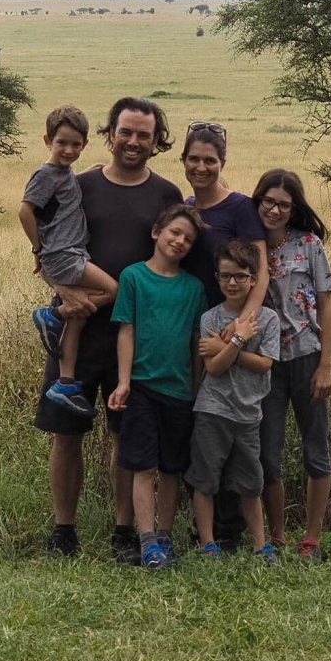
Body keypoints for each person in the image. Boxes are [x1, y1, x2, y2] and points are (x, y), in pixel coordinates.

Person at [33, 97, 183, 562]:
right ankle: (64, 532)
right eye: (126, 132)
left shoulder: (167, 196)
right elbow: (44, 246)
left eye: (144, 134)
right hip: (75, 329)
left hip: (132, 338)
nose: (133, 142)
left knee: (129, 438)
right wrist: (63, 291)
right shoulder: (76, 185)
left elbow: (178, 259)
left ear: (157, 141)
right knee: (66, 433)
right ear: (110, 134)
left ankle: (123, 533)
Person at [180, 121, 269, 549]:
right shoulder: (185, 208)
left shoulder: (239, 208)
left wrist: (242, 326)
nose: (201, 167)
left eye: (209, 160)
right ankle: (205, 532)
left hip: (234, 322)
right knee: (202, 415)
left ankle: (232, 533)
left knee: (229, 418)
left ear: (222, 163)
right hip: (194, 319)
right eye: (194, 159)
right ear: (183, 161)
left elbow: (260, 267)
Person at [107, 204, 207, 569]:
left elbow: (197, 341)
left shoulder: (194, 288)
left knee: (171, 469)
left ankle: (165, 538)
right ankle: (146, 540)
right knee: (142, 466)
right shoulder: (133, 278)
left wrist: (196, 388)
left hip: (180, 391)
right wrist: (123, 382)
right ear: (156, 233)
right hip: (141, 388)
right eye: (174, 233)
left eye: (188, 239)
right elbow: (126, 330)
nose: (180, 241)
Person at [252, 169, 331, 562]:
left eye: (283, 204)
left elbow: (326, 304)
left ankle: (312, 539)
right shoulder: (249, 246)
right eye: (268, 201)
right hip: (265, 361)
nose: (274, 209)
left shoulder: (309, 244)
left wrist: (326, 365)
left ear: (294, 208)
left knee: (315, 449)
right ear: (258, 201)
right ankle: (278, 536)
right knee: (267, 453)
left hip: (306, 355)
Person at [19, 105, 118, 418]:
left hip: (70, 253)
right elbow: (24, 211)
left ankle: (65, 382)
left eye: (76, 144)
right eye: (62, 143)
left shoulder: (63, 172)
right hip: (64, 255)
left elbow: (66, 188)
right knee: (113, 290)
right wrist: (39, 249)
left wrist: (92, 171)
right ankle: (52, 314)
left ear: (85, 145)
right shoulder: (46, 174)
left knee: (80, 317)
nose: (69, 150)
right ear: (47, 140)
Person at [185, 240, 281, 561]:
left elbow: (266, 363)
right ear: (217, 278)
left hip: (249, 413)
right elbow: (213, 367)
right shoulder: (210, 319)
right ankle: (208, 543)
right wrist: (240, 340)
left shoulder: (267, 320)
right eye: (225, 276)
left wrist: (229, 345)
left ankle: (260, 543)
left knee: (251, 482)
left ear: (254, 279)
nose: (233, 283)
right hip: (212, 410)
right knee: (205, 478)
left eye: (240, 276)